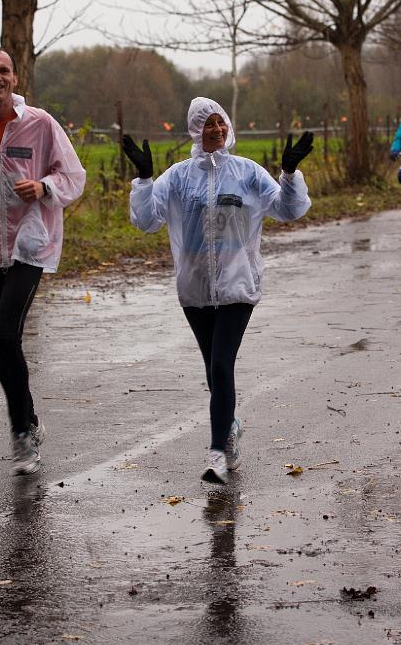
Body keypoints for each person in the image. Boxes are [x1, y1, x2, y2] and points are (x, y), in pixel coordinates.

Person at [125, 96, 312, 484]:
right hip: (194, 290)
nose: (217, 130)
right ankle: (230, 427)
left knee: (222, 363)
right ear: (196, 130)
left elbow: (288, 209)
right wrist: (144, 181)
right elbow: (146, 222)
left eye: (221, 122)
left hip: (238, 285)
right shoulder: (178, 177)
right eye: (208, 124)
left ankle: (216, 454)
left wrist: (290, 173)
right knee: (214, 372)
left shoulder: (246, 173)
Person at [0, 48, 86, 475]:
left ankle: (22, 438)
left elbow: (73, 177)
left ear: (14, 77)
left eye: (3, 70)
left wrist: (44, 187)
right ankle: (29, 419)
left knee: (7, 335)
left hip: (30, 246)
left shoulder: (40, 123)